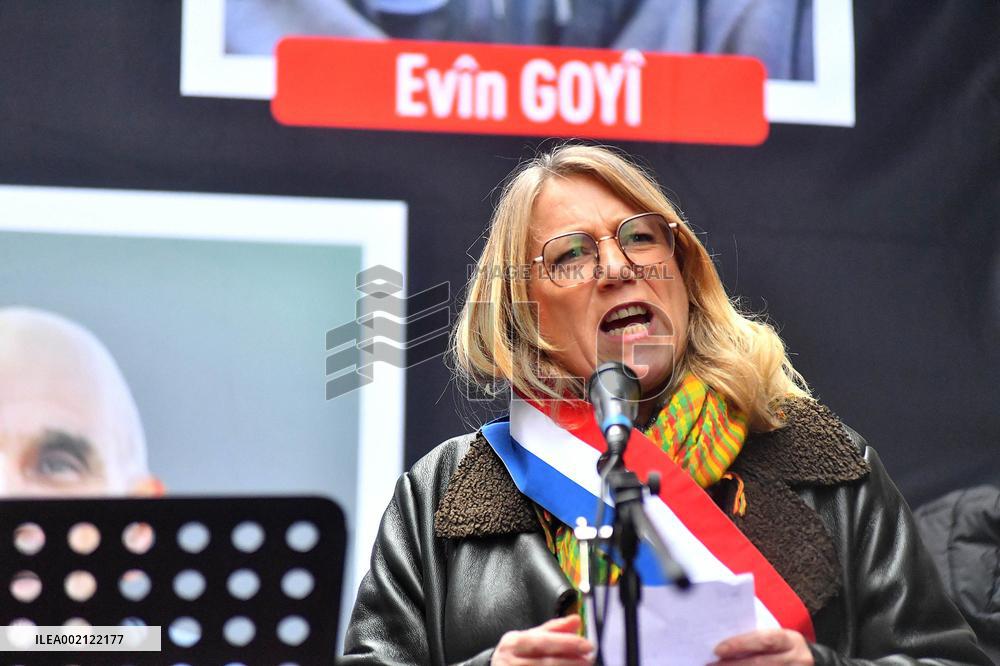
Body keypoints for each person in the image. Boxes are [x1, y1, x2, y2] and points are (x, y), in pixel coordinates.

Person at [342, 145, 990, 665]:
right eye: (572, 254)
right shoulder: (441, 492)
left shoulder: (826, 464)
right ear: (522, 313)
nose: (618, 268)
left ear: (684, 272)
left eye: (641, 238)